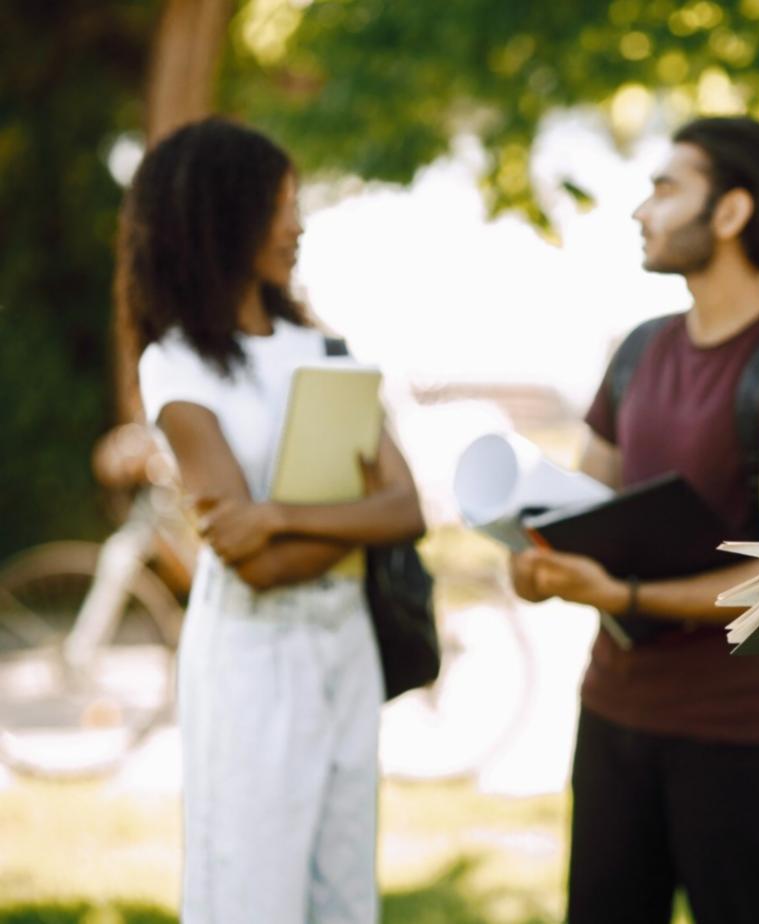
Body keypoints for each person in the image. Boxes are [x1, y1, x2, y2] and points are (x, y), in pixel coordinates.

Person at [509, 116, 759, 924]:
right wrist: (533, 559)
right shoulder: (638, 350)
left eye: (666, 188)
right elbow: (582, 512)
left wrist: (627, 594)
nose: (642, 209)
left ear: (732, 212)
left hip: (738, 740)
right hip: (612, 716)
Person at [118, 117, 425, 924]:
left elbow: (408, 506)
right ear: (222, 214)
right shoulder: (177, 364)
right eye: (279, 204)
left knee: (343, 889)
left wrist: (277, 514)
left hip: (346, 649)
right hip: (253, 659)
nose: (298, 224)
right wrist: (347, 523)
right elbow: (254, 566)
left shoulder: (323, 348)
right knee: (249, 890)